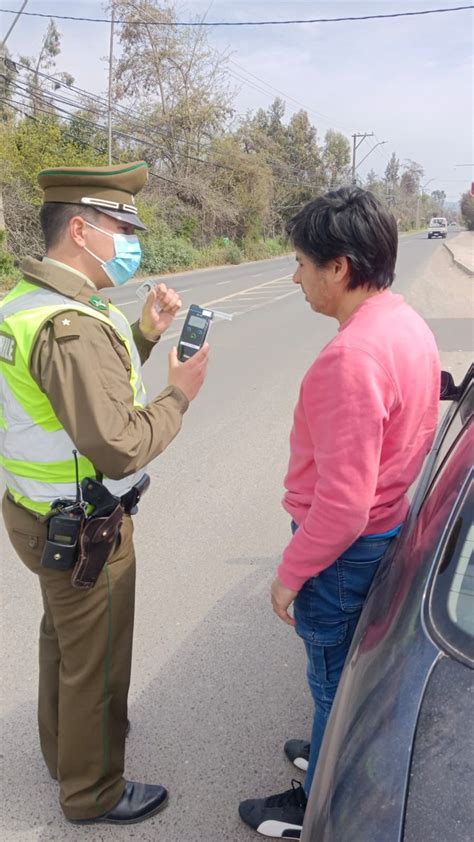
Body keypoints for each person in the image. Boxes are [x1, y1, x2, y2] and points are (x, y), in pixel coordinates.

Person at [0, 161, 209, 825]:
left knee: (63, 636)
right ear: (83, 230)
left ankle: (64, 748)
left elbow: (84, 402)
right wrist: (181, 394)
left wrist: (145, 332)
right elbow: (117, 441)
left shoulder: (28, 306)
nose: (133, 242)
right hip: (86, 525)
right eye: (124, 229)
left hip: (39, 515)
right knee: (97, 653)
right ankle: (92, 791)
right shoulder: (71, 325)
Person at [239, 187, 440, 839]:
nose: (295, 277)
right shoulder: (402, 322)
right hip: (383, 531)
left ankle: (319, 800)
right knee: (351, 671)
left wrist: (291, 572)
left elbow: (343, 505)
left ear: (340, 268)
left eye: (301, 262)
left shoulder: (351, 358)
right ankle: (332, 747)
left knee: (332, 683)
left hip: (345, 551)